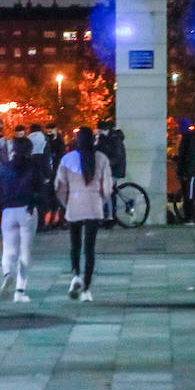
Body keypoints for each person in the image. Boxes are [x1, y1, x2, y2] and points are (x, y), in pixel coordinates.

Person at [56, 127, 113, 302]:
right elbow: (107, 187)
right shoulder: (101, 159)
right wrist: (99, 201)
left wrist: (67, 203)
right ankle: (87, 289)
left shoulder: (67, 159)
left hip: (74, 205)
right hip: (94, 206)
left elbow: (60, 186)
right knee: (90, 248)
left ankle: (76, 275)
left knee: (75, 245)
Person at [0, 137, 39, 302]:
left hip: (8, 210)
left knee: (8, 249)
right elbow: (40, 188)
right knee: (25, 251)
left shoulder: (5, 166)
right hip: (27, 209)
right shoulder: (33, 166)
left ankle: (8, 273)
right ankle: (20, 290)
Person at [176, 124, 195, 225]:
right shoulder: (187, 139)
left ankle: (190, 217)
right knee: (187, 195)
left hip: (189, 174)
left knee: (189, 195)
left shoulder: (188, 140)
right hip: (187, 173)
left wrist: (187, 173)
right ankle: (188, 216)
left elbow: (190, 158)